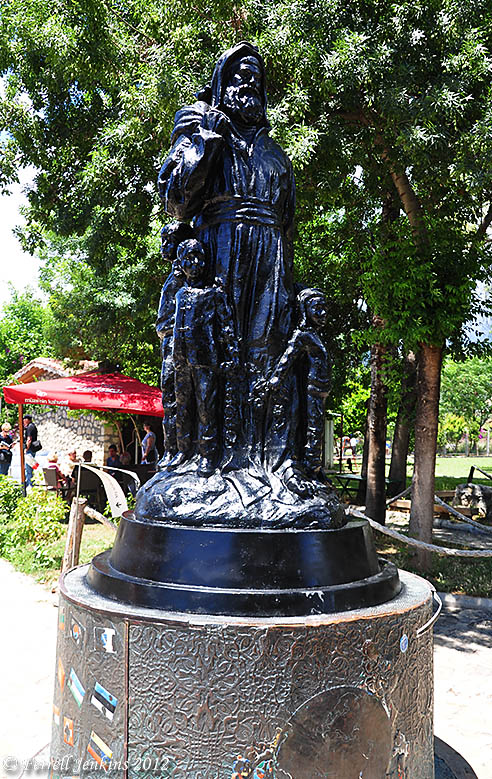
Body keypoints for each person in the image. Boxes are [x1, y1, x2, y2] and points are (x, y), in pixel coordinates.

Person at [158, 42, 296, 468]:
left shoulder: (276, 154)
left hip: (269, 260)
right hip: (219, 252)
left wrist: (286, 282)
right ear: (221, 82)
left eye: (256, 77)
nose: (248, 84)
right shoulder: (199, 129)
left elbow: (288, 223)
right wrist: (208, 142)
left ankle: (262, 459)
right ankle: (205, 456)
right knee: (212, 356)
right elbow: (176, 200)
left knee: (265, 352)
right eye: (239, 75)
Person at [169, 238, 239, 476]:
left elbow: (226, 326)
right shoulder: (179, 294)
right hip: (181, 360)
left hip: (205, 359)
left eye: (199, 258)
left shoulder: (213, 293)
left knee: (206, 409)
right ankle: (183, 451)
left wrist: (231, 355)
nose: (195, 263)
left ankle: (208, 455)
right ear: (181, 263)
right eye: (188, 259)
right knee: (182, 407)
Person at [264, 289, 331, 478]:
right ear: (304, 309)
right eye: (317, 308)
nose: (323, 313)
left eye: (324, 308)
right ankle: (312, 466)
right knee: (314, 427)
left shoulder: (313, 335)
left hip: (320, 390)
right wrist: (276, 379)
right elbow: (288, 357)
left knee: (315, 426)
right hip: (313, 390)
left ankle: (313, 466)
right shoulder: (303, 335)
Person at [156, 221, 195, 466]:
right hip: (168, 342)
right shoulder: (174, 275)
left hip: (179, 345)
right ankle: (171, 450)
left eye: (169, 241)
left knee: (180, 400)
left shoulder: (186, 279)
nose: (164, 246)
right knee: (169, 399)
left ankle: (182, 451)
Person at [23, 414, 40, 487]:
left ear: (27, 420)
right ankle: (29, 484)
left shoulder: (30, 427)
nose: (23, 421)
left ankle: (30, 486)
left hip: (29, 450)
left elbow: (29, 439)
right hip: (31, 450)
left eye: (24, 419)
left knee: (28, 468)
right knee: (29, 468)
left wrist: (26, 449)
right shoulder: (32, 426)